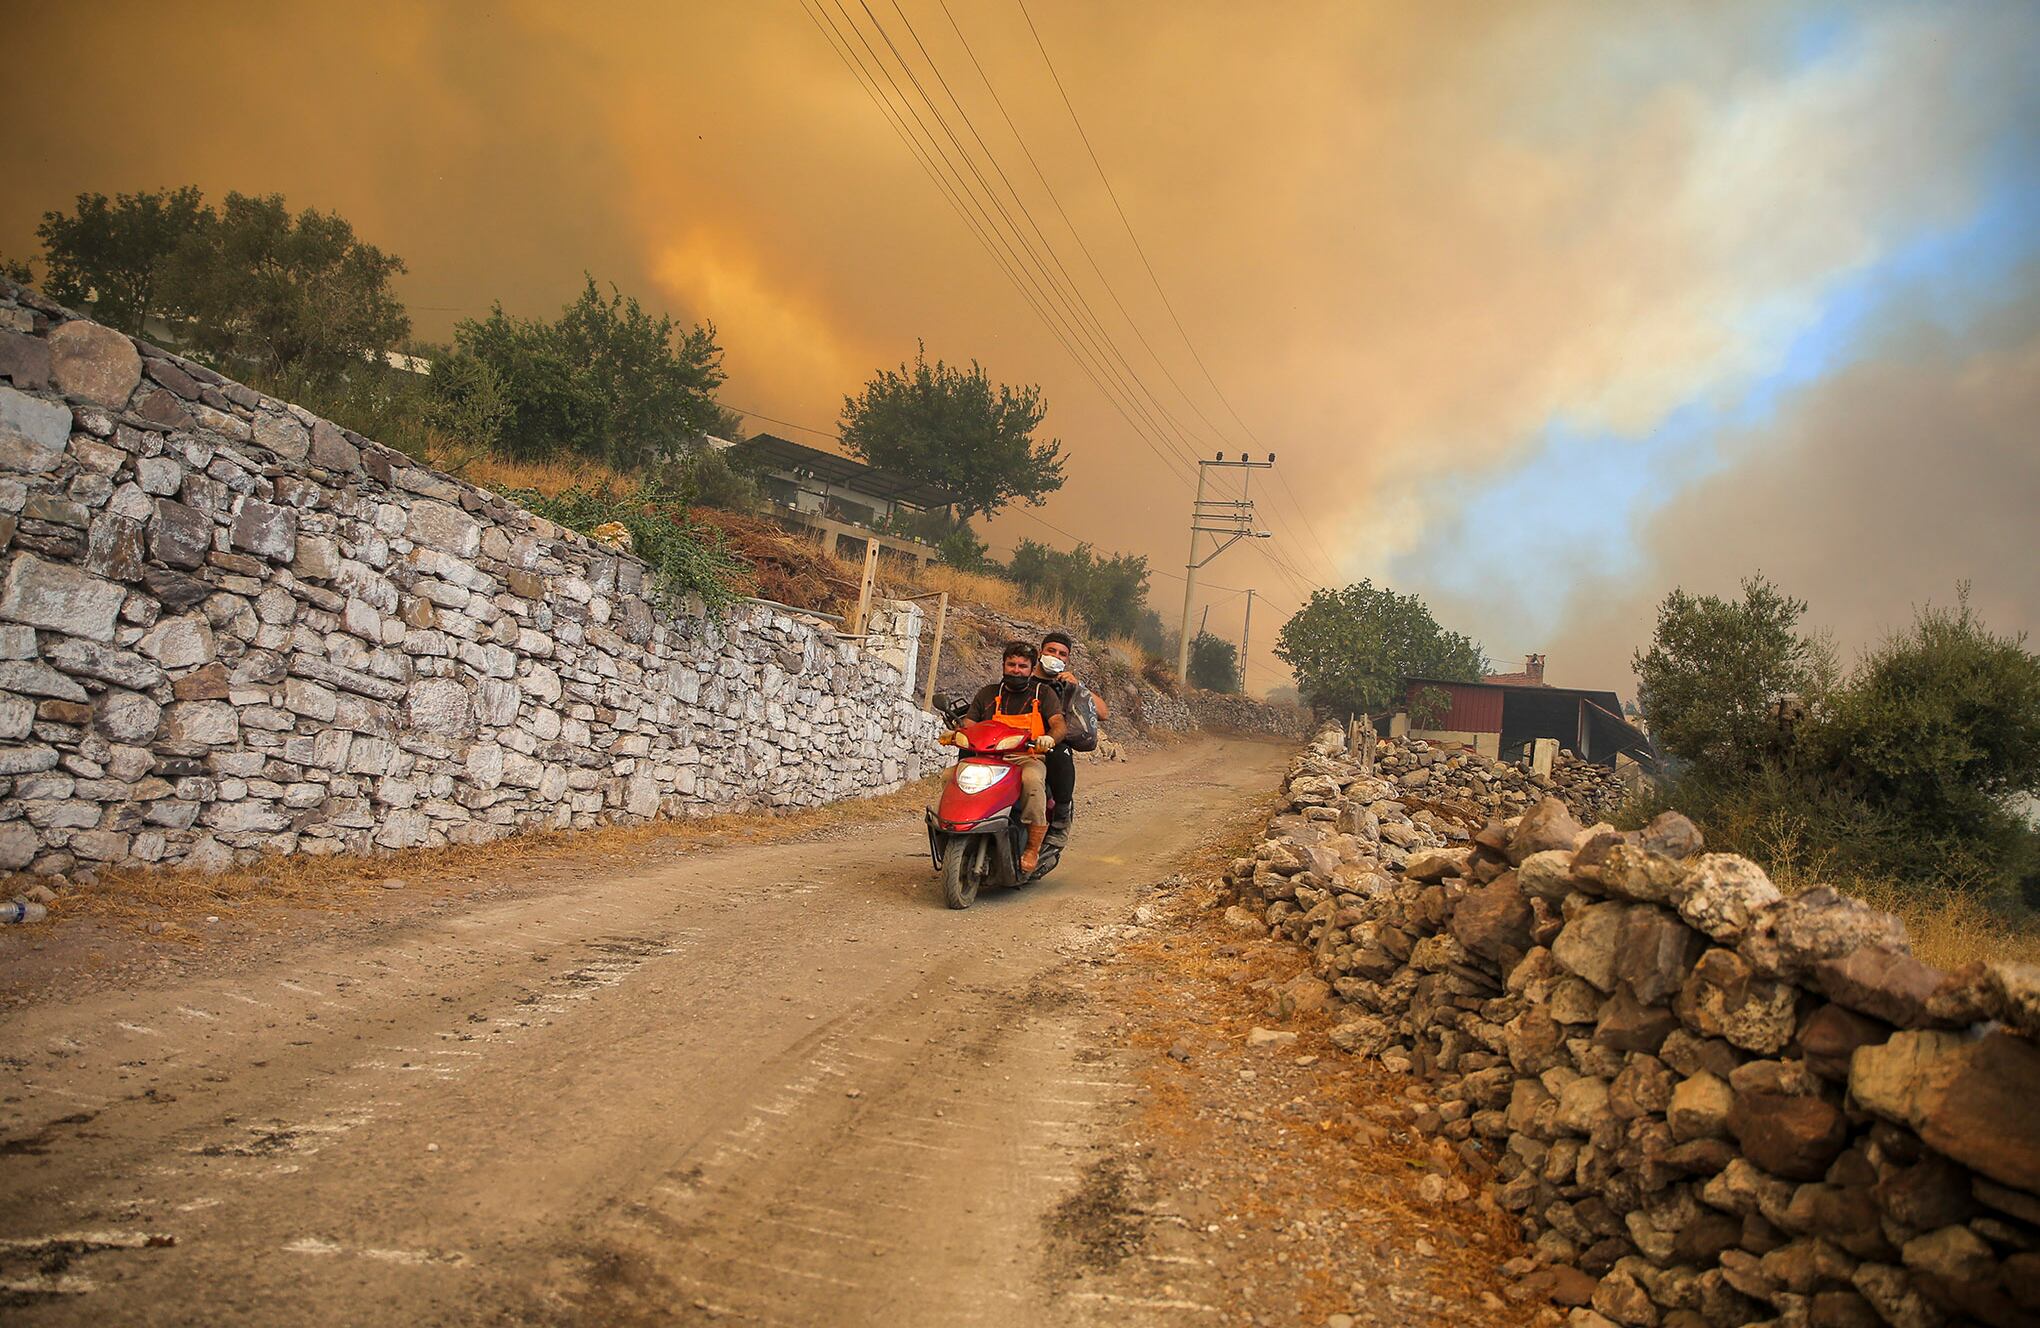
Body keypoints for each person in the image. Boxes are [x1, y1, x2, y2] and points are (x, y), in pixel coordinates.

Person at [941, 640, 1066, 872]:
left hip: (1027, 757)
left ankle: (1032, 846)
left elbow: (1059, 724)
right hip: (987, 758)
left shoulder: (1043, 694)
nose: (1016, 670)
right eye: (1011, 665)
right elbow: (970, 723)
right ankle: (951, 830)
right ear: (1003, 665)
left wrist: (1050, 738)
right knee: (949, 776)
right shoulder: (988, 693)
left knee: (1032, 782)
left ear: (1031, 668)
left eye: (1022, 666)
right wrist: (956, 734)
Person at [1035, 630, 1110, 828]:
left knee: (1062, 754)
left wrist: (1079, 686)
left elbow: (1103, 713)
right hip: (1019, 741)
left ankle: (1061, 814)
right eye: (1051, 651)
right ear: (1040, 653)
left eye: (1062, 654)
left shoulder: (1069, 685)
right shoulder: (1022, 678)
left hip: (1054, 742)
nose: (1056, 657)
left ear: (1067, 660)